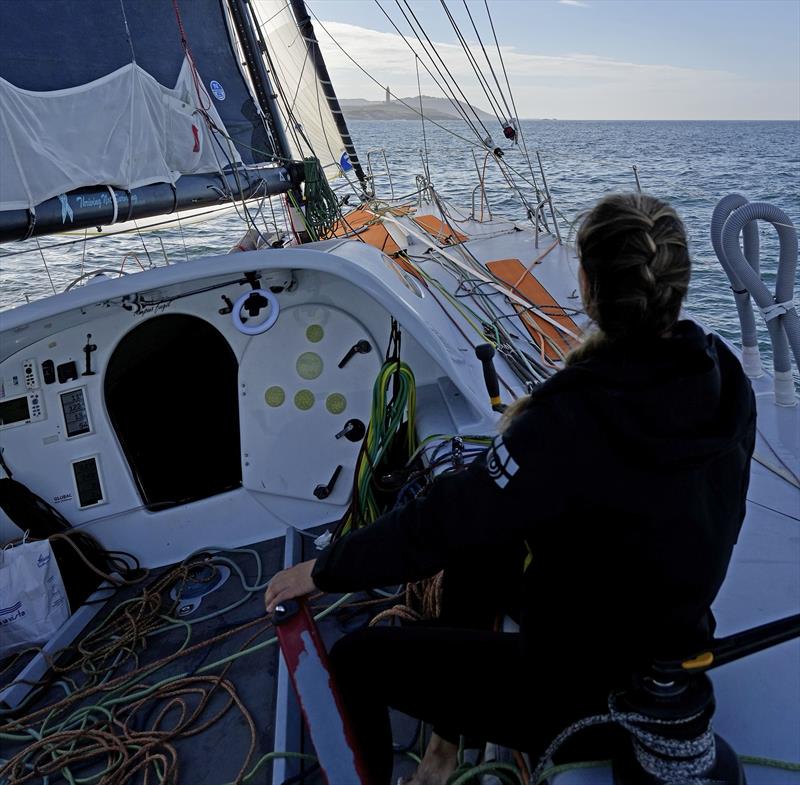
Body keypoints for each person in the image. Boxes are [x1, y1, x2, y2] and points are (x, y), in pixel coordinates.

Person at [265, 193, 756, 785]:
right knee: (486, 540)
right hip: (673, 656)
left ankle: (421, 761)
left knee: (355, 661)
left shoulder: (565, 418)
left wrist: (323, 571)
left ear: (589, 289)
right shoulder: (724, 375)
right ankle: (446, 747)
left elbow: (441, 520)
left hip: (579, 695)